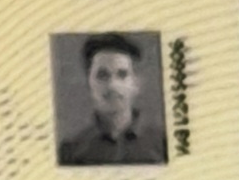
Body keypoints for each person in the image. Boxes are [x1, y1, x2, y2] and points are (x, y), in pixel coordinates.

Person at [58, 33, 169, 166]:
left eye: (122, 75)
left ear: (136, 84)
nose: (112, 85)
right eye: (102, 75)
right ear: (88, 83)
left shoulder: (163, 145)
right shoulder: (71, 152)